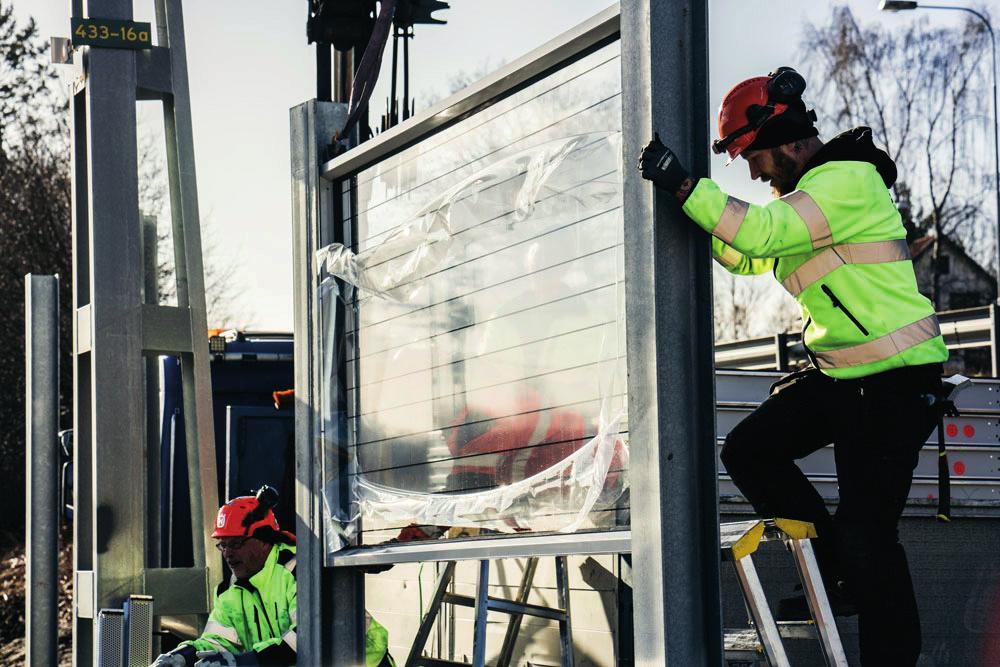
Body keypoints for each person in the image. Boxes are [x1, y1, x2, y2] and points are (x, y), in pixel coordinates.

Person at [638, 67, 948, 666]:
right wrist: (690, 213)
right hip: (847, 380)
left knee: (869, 538)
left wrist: (685, 186)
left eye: (754, 158)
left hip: (897, 384)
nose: (753, 173)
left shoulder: (845, 182)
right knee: (750, 450)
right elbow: (746, 253)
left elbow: (757, 234)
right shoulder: (806, 204)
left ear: (784, 138)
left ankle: (870, 617)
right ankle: (838, 576)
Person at [151, 486, 395, 667]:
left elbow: (308, 639)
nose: (227, 553)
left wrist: (242, 663)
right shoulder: (230, 591)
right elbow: (217, 642)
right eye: (222, 545)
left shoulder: (300, 571)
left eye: (235, 543)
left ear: (265, 541)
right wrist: (183, 656)